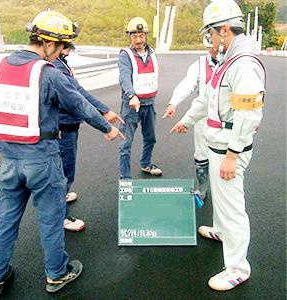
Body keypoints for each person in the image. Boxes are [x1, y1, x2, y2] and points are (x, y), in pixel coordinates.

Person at [0, 10, 124, 297]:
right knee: (51, 219)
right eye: (61, 47)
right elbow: (77, 103)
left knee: (6, 220)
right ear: (48, 44)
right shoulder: (45, 72)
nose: (61, 53)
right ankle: (57, 274)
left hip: (10, 159)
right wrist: (105, 127)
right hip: (41, 159)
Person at [170, 0, 265, 291]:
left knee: (233, 208)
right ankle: (221, 231)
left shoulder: (244, 65)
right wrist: (187, 120)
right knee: (222, 203)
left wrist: (233, 155)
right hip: (217, 147)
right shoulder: (226, 61)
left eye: (211, 33)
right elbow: (206, 98)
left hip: (229, 151)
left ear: (224, 30)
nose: (209, 39)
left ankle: (238, 268)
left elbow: (249, 114)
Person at [53, 43, 124, 231]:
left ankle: (61, 195)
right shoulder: (57, 67)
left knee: (63, 172)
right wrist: (106, 127)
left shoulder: (61, 62)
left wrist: (104, 109)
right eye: (65, 45)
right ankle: (62, 216)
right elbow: (77, 101)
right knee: (65, 173)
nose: (68, 49)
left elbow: (80, 90)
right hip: (63, 127)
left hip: (66, 125)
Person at [163, 35, 218, 200]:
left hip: (225, 120)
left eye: (214, 46)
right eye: (209, 47)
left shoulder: (232, 63)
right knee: (201, 156)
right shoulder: (200, 65)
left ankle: (220, 192)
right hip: (202, 118)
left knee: (222, 158)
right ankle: (202, 189)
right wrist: (173, 103)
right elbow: (187, 85)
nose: (212, 50)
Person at [118, 17, 162, 179]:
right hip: (131, 105)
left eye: (141, 36)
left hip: (149, 103)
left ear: (146, 36)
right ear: (129, 36)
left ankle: (146, 163)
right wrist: (131, 95)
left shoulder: (152, 53)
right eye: (134, 36)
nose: (138, 39)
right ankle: (125, 177)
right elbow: (124, 77)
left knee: (150, 137)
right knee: (126, 143)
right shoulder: (126, 55)